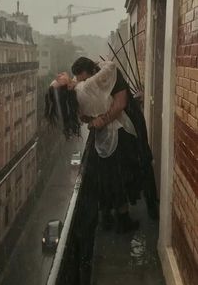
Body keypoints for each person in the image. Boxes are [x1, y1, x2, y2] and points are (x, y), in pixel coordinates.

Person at [45, 60, 143, 233]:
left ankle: (108, 218)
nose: (59, 75)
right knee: (120, 178)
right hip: (119, 133)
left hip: (102, 140)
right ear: (65, 88)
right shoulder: (85, 87)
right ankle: (124, 221)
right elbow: (111, 67)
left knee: (110, 179)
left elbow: (86, 119)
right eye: (58, 80)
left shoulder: (75, 101)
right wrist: (99, 63)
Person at [71, 57, 158, 221]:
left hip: (130, 121)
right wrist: (90, 119)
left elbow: (120, 104)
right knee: (110, 171)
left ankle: (153, 208)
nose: (85, 84)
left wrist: (100, 121)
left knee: (142, 159)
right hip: (109, 129)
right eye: (80, 81)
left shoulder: (111, 74)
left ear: (93, 72)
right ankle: (112, 213)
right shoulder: (91, 83)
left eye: (85, 79)